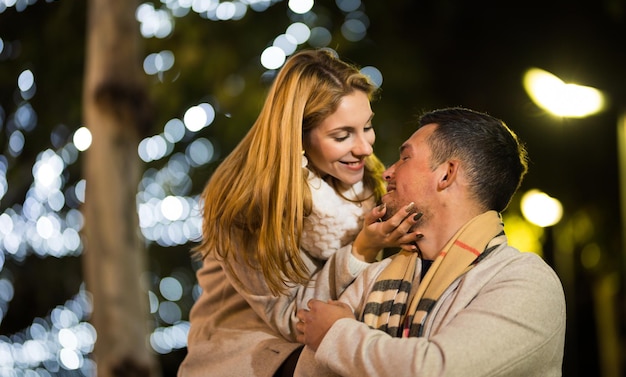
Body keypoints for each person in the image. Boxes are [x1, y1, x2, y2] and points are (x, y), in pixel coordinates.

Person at [177, 49, 421, 377]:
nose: (365, 147)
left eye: (367, 126)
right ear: (299, 138)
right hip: (248, 357)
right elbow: (293, 319)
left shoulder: (365, 179)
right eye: (342, 135)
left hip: (314, 346)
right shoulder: (248, 203)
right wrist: (362, 249)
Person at [295, 107, 567, 377]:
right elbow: (309, 366)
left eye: (405, 158)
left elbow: (437, 370)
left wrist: (337, 334)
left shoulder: (524, 279)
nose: (387, 172)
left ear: (447, 174)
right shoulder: (375, 276)